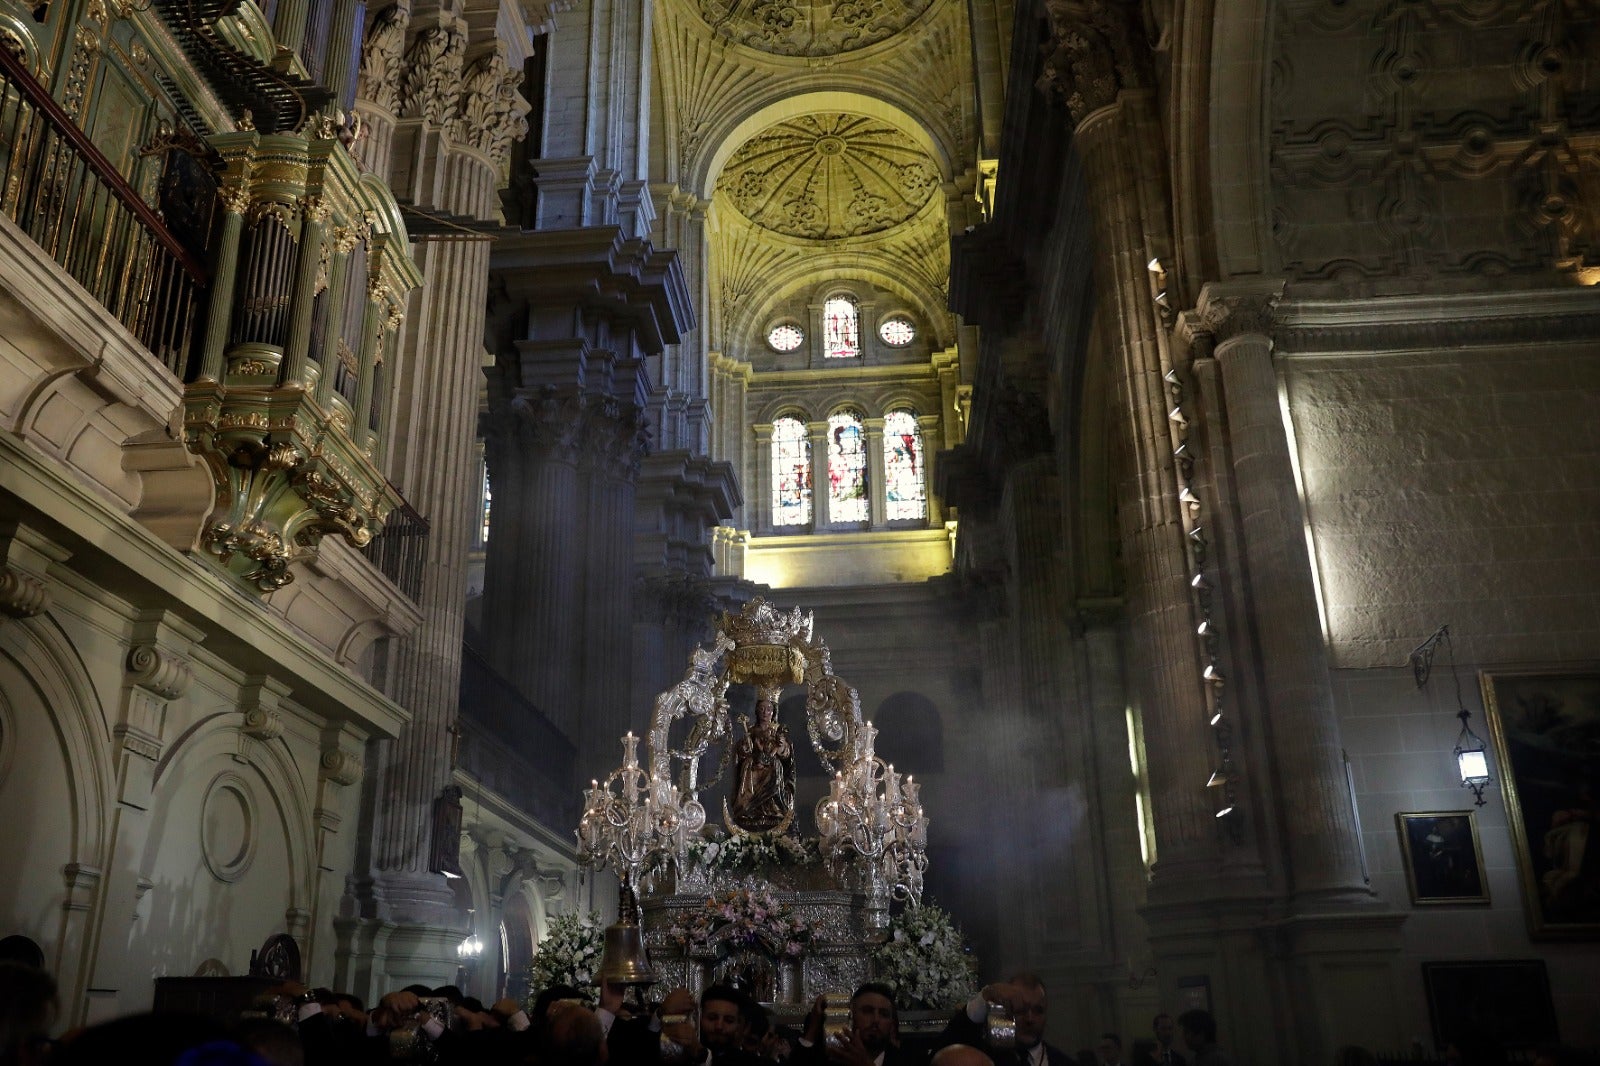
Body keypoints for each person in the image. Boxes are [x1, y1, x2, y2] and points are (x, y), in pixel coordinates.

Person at [940, 974, 1069, 1066]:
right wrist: (983, 999)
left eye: (1038, 1010)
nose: (1029, 1019)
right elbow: (941, 1056)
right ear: (1005, 1011)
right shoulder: (981, 1058)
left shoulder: (1063, 1062)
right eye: (1020, 1010)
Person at [798, 984, 915, 1066]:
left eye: (884, 1014)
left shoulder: (908, 1061)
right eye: (867, 1011)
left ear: (891, 1023)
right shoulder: (832, 1058)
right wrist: (813, 1029)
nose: (876, 1020)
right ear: (851, 1016)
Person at [729, 697, 796, 831]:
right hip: (754, 762)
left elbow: (787, 755)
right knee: (748, 764)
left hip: (772, 763)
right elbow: (743, 752)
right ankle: (747, 809)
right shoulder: (751, 730)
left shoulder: (778, 731)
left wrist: (782, 746)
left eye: (769, 709)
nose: (765, 712)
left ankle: (774, 809)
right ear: (757, 711)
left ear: (773, 712)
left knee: (775, 765)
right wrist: (745, 746)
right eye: (762, 709)